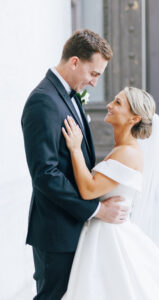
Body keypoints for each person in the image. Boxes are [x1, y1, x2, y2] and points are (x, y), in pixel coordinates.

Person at [21, 29, 130, 299]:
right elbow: (45, 174)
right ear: (74, 62)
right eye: (93, 74)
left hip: (72, 226)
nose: (94, 83)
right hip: (56, 231)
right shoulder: (43, 101)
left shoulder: (67, 95)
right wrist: (95, 209)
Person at [60, 86, 159, 300]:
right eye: (113, 100)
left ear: (134, 118)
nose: (109, 105)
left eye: (118, 103)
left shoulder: (128, 153)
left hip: (110, 237)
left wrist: (75, 149)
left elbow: (88, 190)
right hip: (102, 233)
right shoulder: (121, 149)